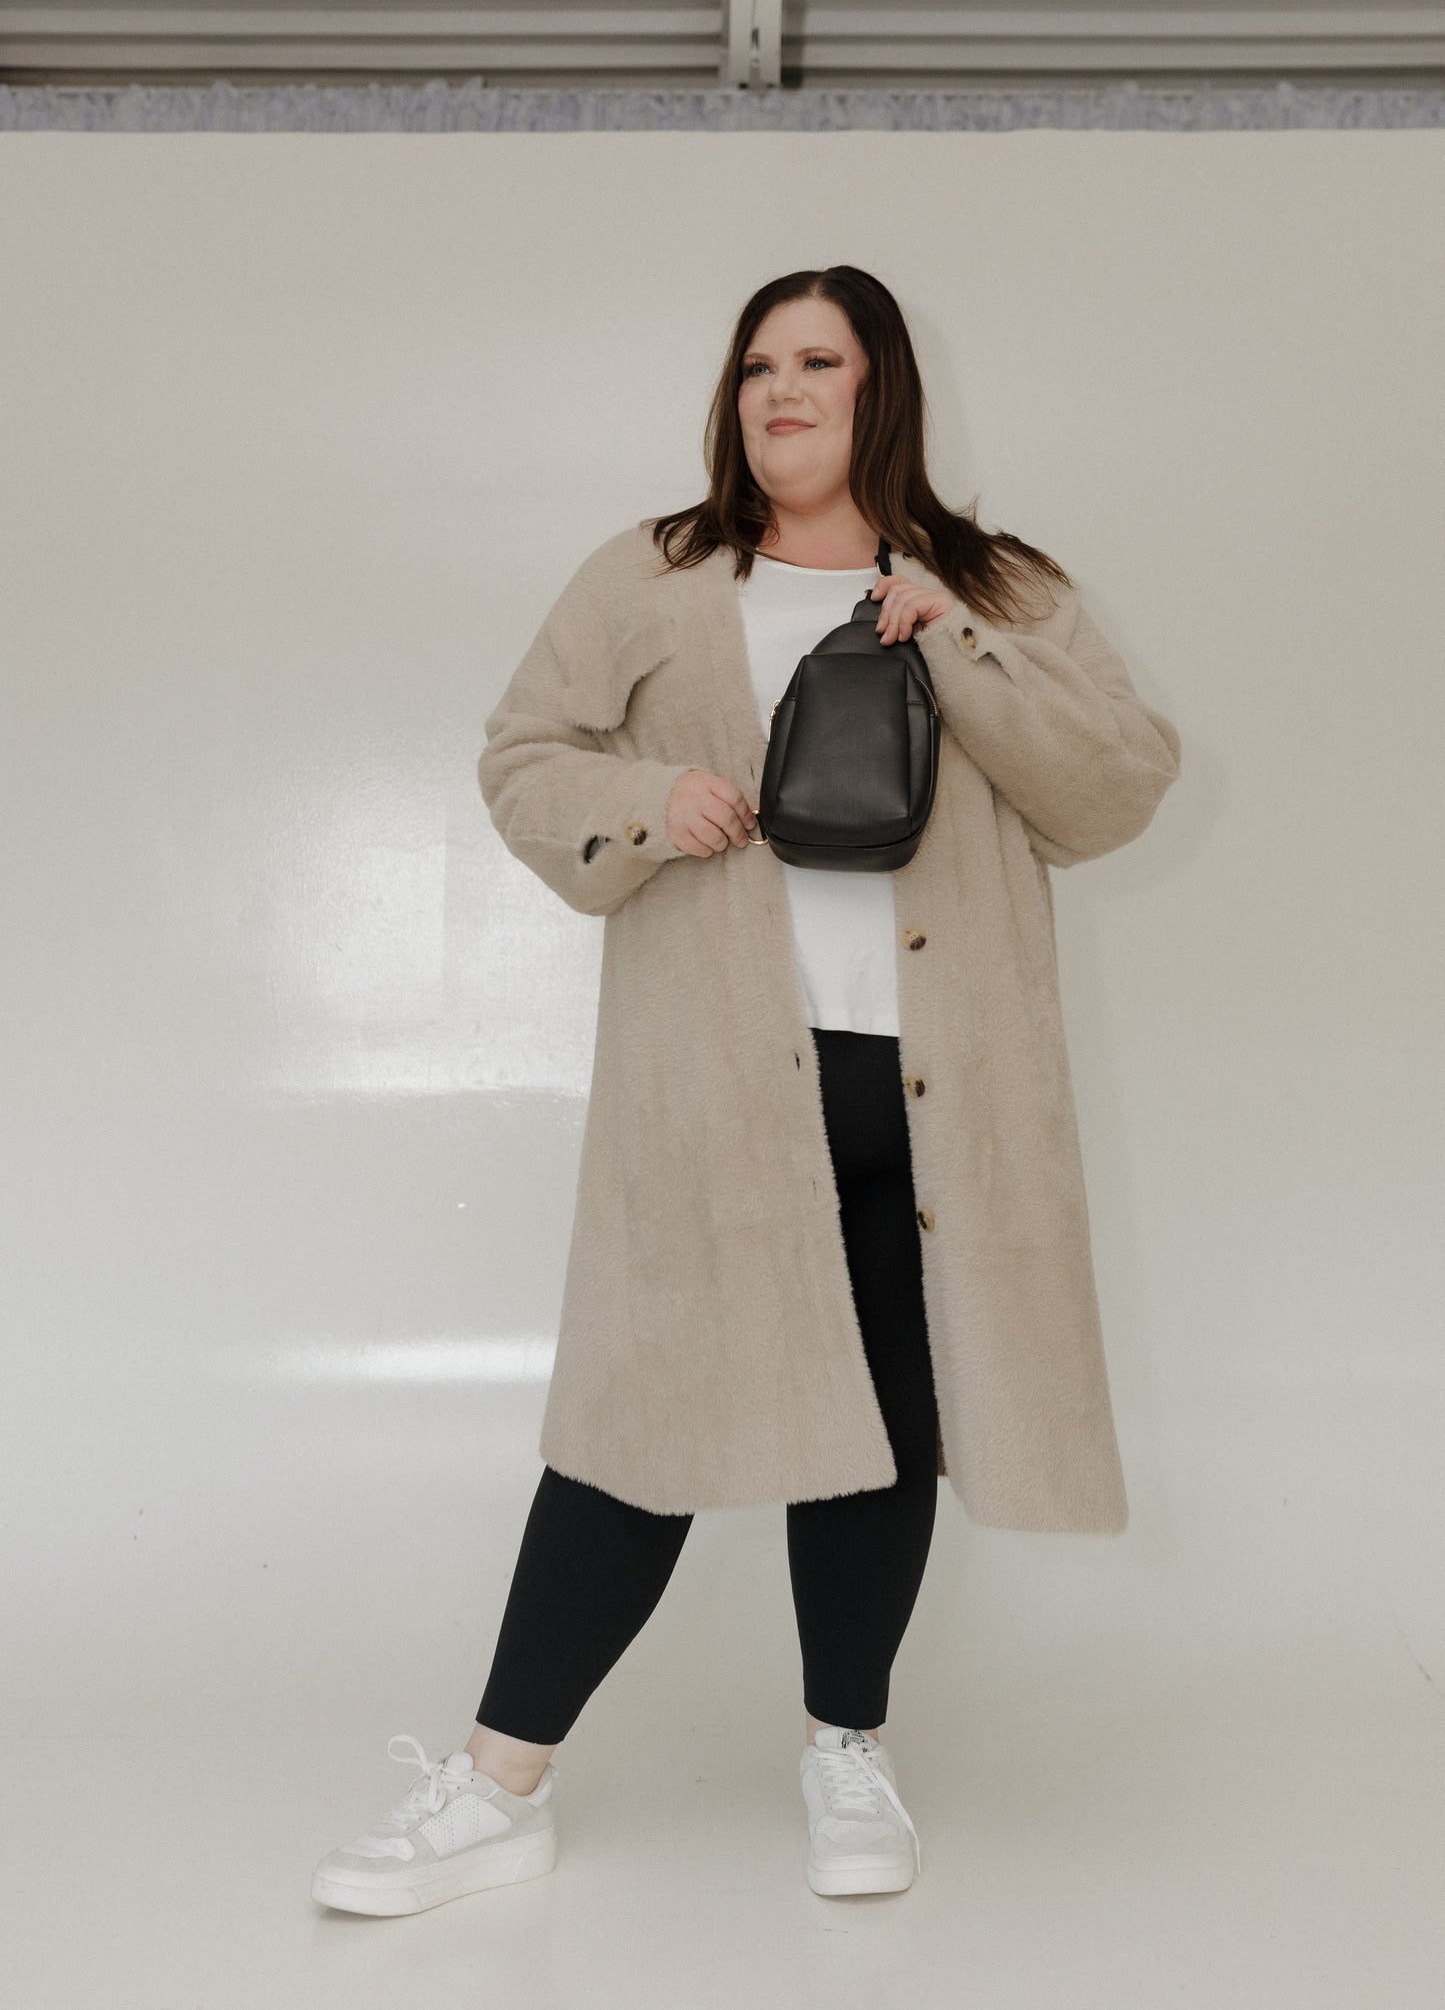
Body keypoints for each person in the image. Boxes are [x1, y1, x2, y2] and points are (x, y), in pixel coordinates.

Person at [312, 265, 1181, 1917]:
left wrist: (967, 645)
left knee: (886, 1436)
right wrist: (651, 800)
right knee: (634, 1428)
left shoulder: (995, 580)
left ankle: (844, 1750)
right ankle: (501, 1786)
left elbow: (1116, 790)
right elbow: (523, 754)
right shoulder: (657, 574)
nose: (779, 391)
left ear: (880, 387)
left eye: (816, 362)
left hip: (941, 1094)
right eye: (754, 364)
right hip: (719, 1084)